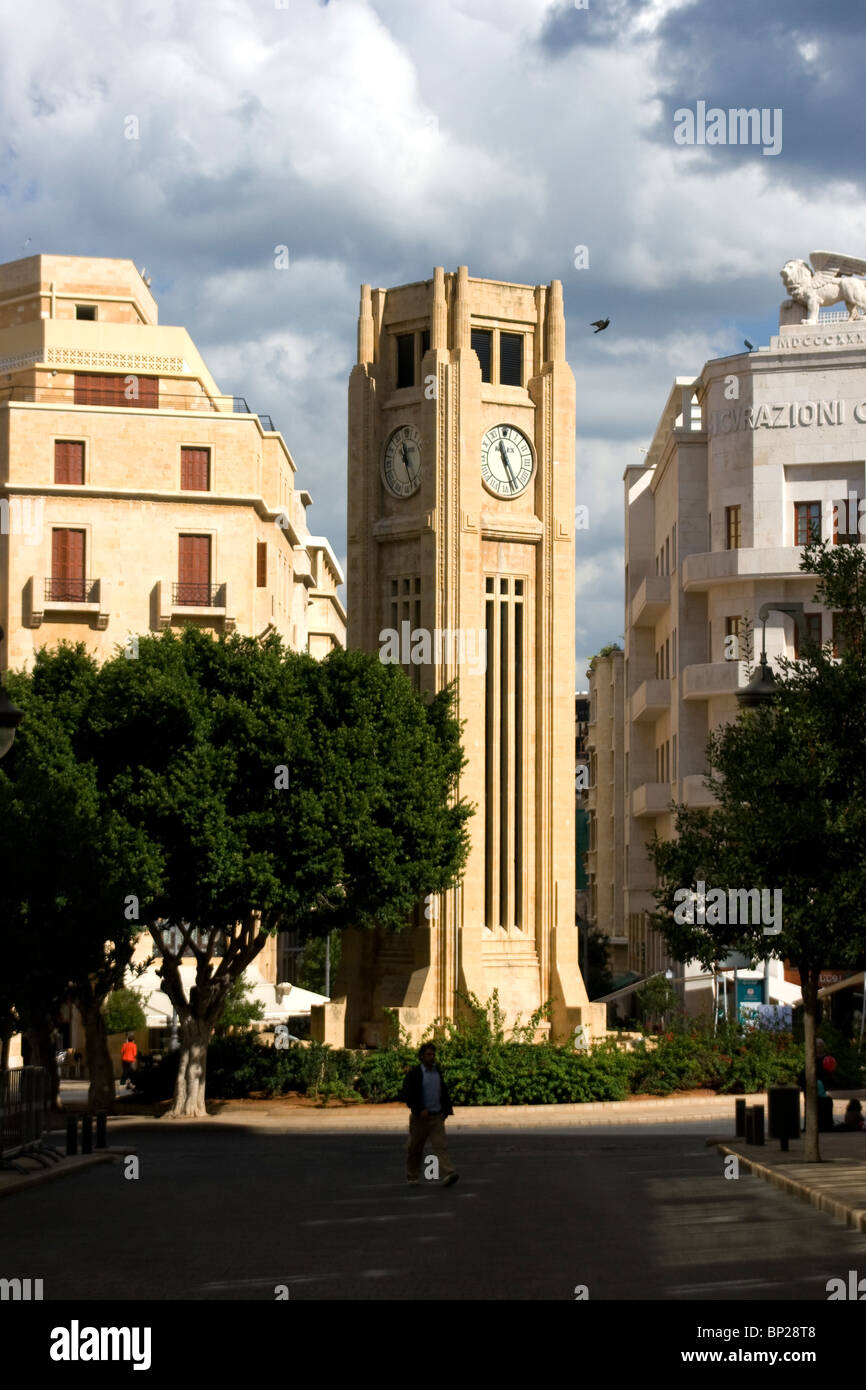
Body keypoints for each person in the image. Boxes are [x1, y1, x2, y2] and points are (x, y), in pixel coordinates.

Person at [401, 1043, 458, 1187]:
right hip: (420, 1118)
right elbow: (408, 1094)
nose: (431, 1057)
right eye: (428, 1054)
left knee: (441, 1146)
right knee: (415, 1148)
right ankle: (412, 1175)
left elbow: (442, 1092)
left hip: (436, 1116)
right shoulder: (415, 1074)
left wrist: (445, 1111)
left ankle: (448, 1173)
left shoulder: (437, 1072)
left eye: (433, 1054)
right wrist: (419, 1109)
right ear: (422, 1056)